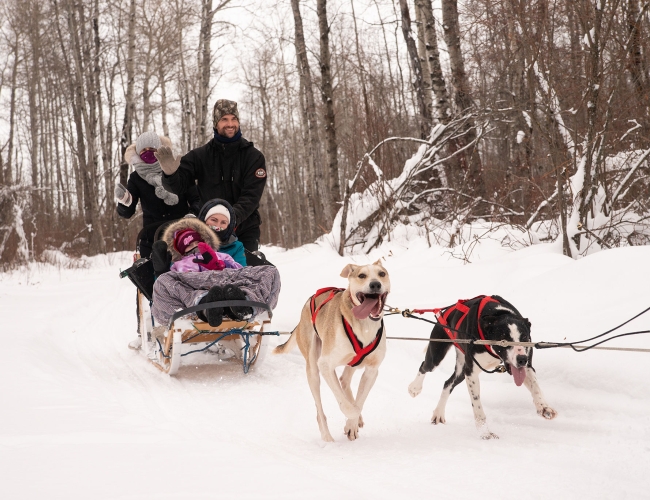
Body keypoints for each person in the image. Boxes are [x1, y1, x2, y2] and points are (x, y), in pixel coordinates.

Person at [156, 100, 267, 262]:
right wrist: (170, 174)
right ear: (216, 124)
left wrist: (229, 219)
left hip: (244, 229)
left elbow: (251, 197)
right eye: (224, 119)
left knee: (245, 278)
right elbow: (178, 186)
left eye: (233, 119)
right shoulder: (200, 156)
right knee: (209, 275)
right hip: (209, 231)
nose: (230, 124)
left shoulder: (254, 157)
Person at [149, 216, 281, 327]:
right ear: (182, 250)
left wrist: (218, 264)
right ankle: (205, 306)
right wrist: (162, 272)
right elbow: (172, 285)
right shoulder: (179, 264)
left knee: (269, 271)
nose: (194, 245)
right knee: (164, 281)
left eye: (197, 242)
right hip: (195, 288)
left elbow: (239, 271)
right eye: (189, 245)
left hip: (226, 281)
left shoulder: (220, 255)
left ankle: (244, 303)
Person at [115, 131, 201, 258]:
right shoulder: (135, 178)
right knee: (155, 276)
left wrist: (192, 215)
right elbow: (127, 212)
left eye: (152, 148)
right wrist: (124, 202)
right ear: (138, 153)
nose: (148, 152)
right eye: (143, 150)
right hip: (151, 239)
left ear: (159, 149)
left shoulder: (177, 170)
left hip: (183, 234)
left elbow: (196, 198)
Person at [198, 199, 247, 267]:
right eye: (214, 220)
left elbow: (241, 272)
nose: (218, 226)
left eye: (223, 222)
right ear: (204, 221)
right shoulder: (192, 242)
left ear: (228, 226)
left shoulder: (236, 247)